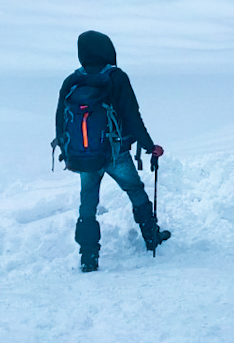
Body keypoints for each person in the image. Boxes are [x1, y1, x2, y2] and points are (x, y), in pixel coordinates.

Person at [53, 30, 171, 272]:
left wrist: (67, 149)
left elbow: (60, 119)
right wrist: (150, 146)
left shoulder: (72, 80)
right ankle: (151, 237)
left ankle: (88, 256)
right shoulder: (116, 77)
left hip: (85, 155)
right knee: (135, 189)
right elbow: (132, 116)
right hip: (115, 152)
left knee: (88, 203)